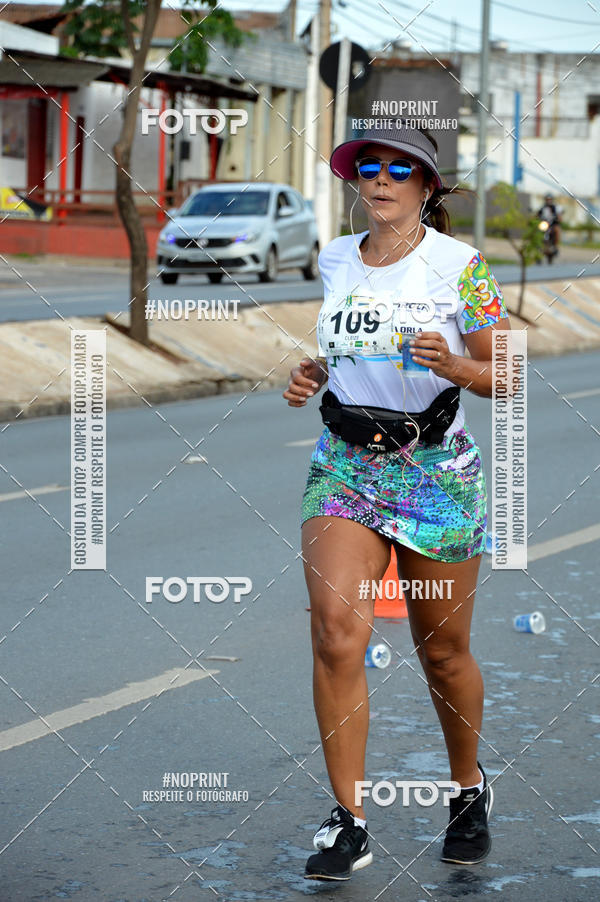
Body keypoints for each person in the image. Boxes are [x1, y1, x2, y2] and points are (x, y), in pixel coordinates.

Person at [282, 122, 511, 881]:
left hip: (436, 472)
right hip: (346, 464)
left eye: (399, 169)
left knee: (442, 652)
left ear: (427, 186)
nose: (380, 179)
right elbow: (349, 347)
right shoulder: (336, 258)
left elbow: (502, 374)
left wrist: (454, 362)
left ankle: (469, 790)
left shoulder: (465, 268)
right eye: (369, 167)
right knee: (336, 635)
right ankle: (347, 820)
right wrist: (315, 371)